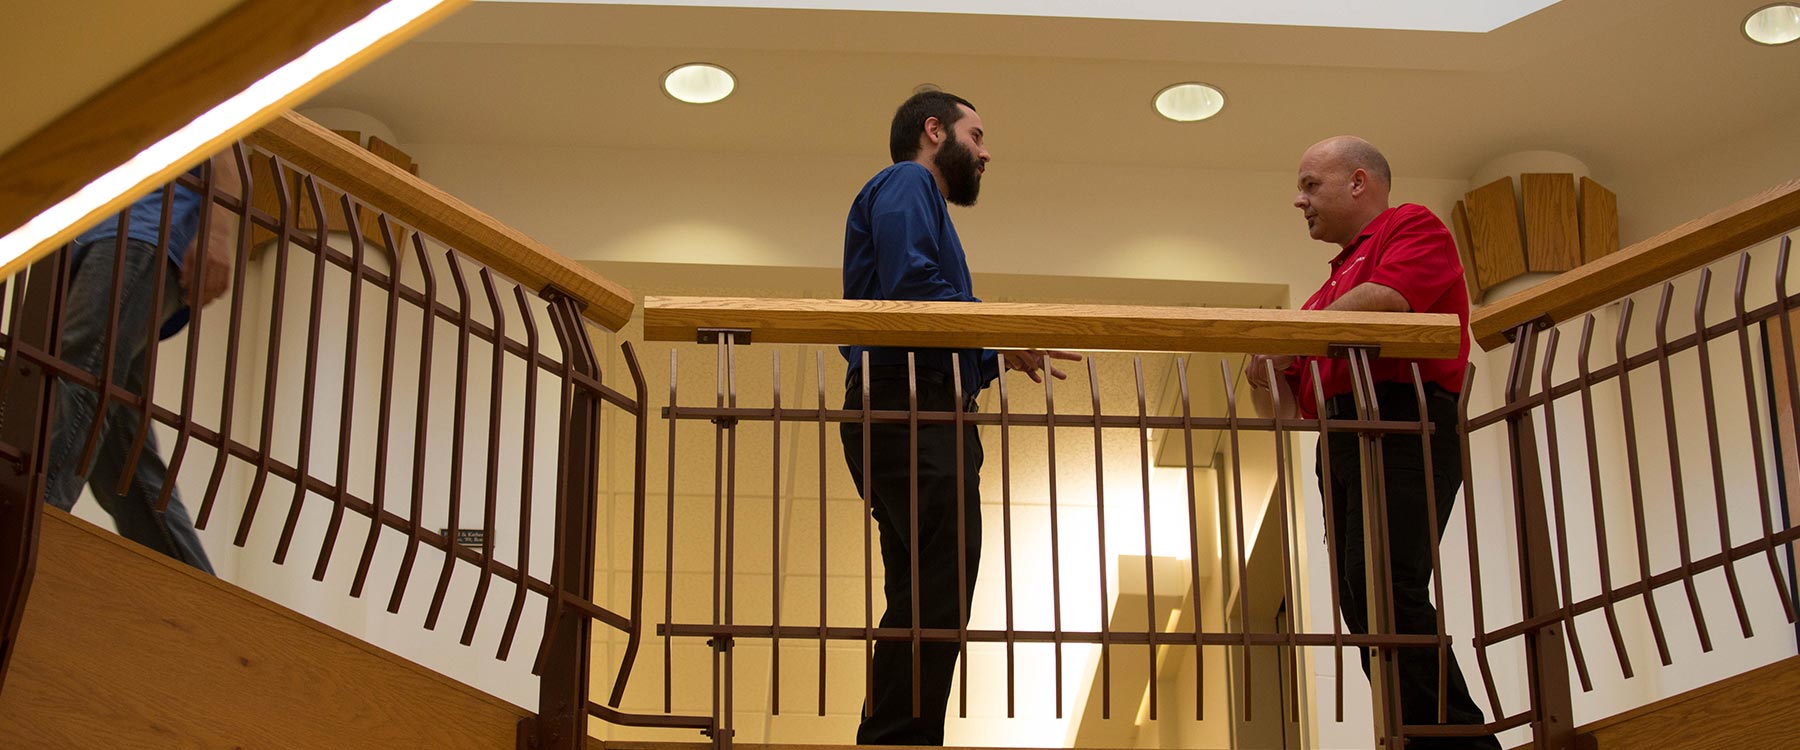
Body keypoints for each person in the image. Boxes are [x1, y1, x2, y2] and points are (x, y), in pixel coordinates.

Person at [839, 90, 1077, 745]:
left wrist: (994, 350)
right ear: (935, 129)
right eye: (977, 135)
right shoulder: (909, 179)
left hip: (913, 402)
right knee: (940, 577)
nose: (986, 150)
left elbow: (925, 309)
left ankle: (894, 732)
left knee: (925, 582)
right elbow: (912, 287)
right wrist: (992, 334)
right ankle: (898, 736)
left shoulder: (915, 195)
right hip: (908, 405)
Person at [1246, 136, 1497, 749]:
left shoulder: (1412, 226)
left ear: (1359, 183)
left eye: (1310, 184)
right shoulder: (1325, 293)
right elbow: (1287, 409)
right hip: (1343, 437)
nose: (1297, 199)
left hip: (1402, 422)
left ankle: (1457, 741)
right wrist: (1264, 361)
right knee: (1362, 599)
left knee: (1389, 584)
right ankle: (1419, 734)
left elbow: (1389, 303)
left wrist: (1287, 338)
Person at [44, 151, 239, 574]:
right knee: (121, 448)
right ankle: (192, 590)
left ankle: (35, 512)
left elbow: (226, 149)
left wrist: (218, 233)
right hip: (97, 238)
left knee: (79, 370)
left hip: (141, 231)